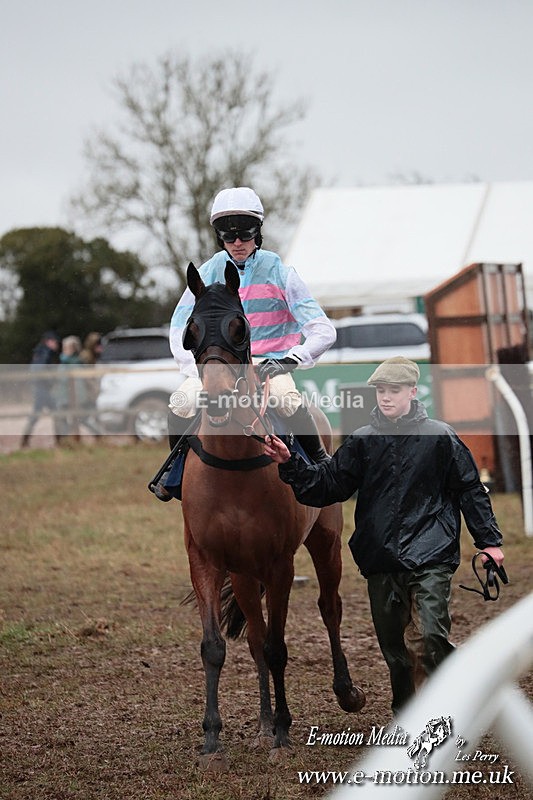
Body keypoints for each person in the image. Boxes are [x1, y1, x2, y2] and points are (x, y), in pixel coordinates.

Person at [263, 356, 504, 715]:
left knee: (428, 638)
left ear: (412, 391)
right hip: (380, 560)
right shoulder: (362, 442)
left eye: (394, 390)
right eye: (380, 391)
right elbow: (328, 485)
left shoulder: (441, 437)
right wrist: (291, 463)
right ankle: (407, 718)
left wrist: (489, 542)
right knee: (397, 653)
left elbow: (470, 489)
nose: (386, 397)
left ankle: (437, 717)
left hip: (432, 556)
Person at [153, 186, 337, 500]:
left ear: (258, 233)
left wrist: (290, 360)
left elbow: (323, 330)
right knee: (181, 404)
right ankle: (176, 470)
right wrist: (196, 370)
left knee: (289, 401)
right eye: (229, 236)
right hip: (218, 367)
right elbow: (178, 329)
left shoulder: (280, 272)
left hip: (270, 366)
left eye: (245, 234)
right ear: (219, 237)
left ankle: (322, 465)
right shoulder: (206, 274)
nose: (237, 243)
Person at [20, 331, 61, 447]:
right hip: (42, 388)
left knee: (42, 414)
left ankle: (25, 440)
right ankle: (60, 441)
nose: (56, 344)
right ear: (48, 341)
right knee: (53, 413)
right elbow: (39, 371)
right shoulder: (44, 352)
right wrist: (51, 380)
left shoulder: (40, 351)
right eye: (54, 341)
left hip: (41, 388)